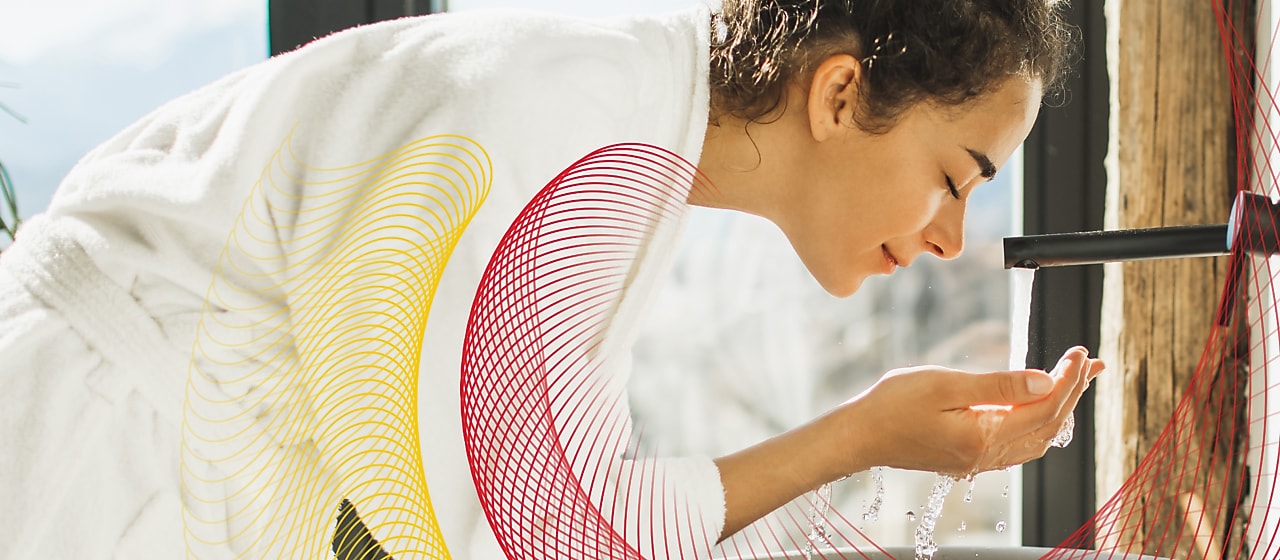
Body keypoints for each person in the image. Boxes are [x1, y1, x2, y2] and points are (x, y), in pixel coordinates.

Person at [0, 0, 1100, 558]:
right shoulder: (566, 126)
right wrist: (860, 437)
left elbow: (560, 501)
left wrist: (866, 431)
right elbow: (545, 526)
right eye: (953, 177)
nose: (954, 235)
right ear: (839, 95)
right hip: (92, 458)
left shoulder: (633, 137)